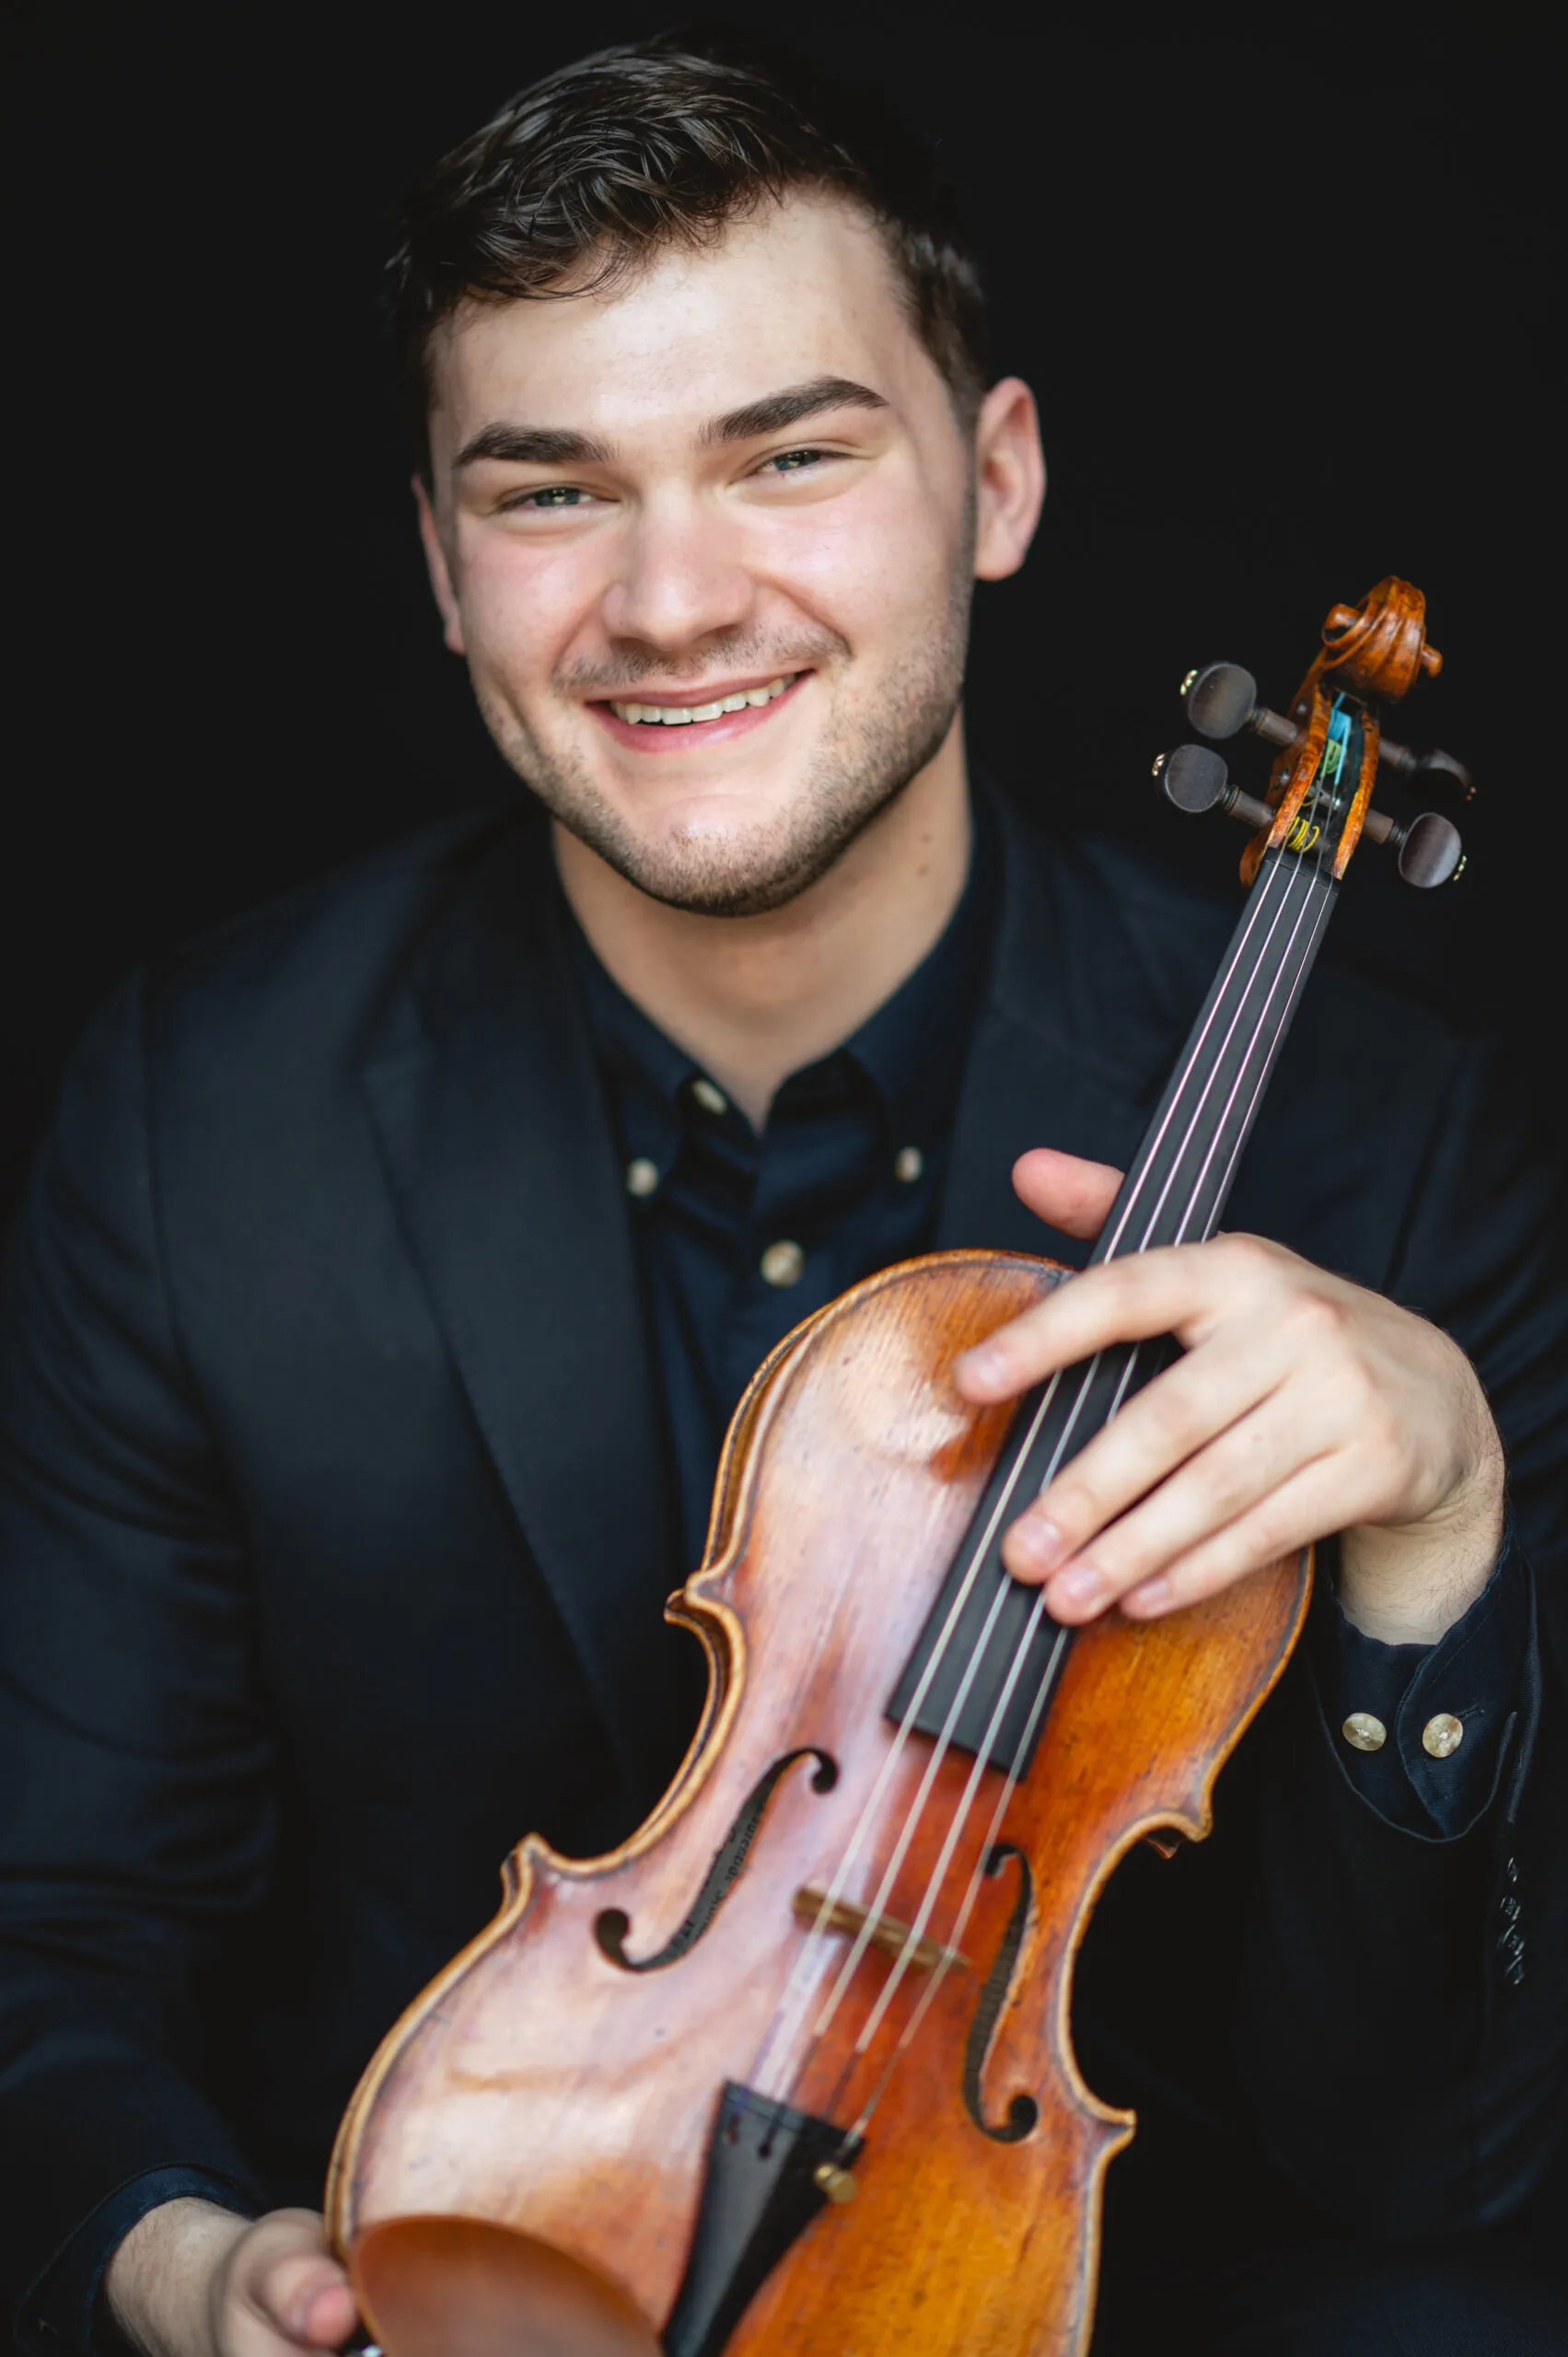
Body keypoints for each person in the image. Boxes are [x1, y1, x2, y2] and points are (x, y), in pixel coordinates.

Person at [2, 30, 1565, 2357]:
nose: (667, 598)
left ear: (993, 480)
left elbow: (1443, 2154)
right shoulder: (196, 1105)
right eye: (548, 494)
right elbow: (58, 1935)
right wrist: (176, 2254)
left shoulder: (1389, 1131)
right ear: (440, 563)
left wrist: (1429, 1548)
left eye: (791, 456)